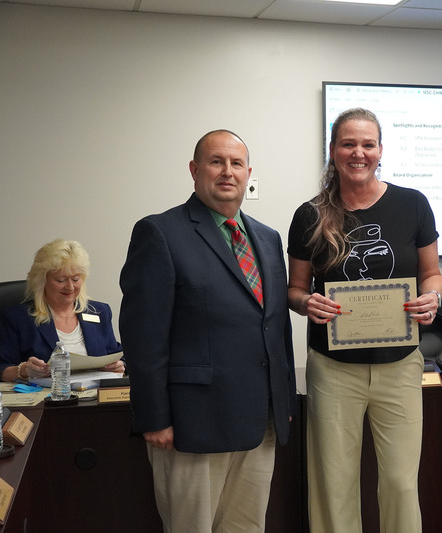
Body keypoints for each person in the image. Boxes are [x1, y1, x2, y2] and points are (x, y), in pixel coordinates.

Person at [119, 129, 295, 533]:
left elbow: (275, 325)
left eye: (236, 164)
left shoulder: (267, 239)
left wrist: (281, 399)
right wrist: (154, 416)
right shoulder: (160, 232)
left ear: (248, 172)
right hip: (192, 424)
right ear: (195, 170)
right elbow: (143, 337)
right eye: (216, 162)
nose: (227, 172)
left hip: (259, 422)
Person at [287, 107, 442, 533]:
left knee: (399, 483)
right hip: (334, 369)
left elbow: (432, 272)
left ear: (380, 151)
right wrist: (306, 304)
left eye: (368, 144)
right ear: (334, 150)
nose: (359, 153)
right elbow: (295, 289)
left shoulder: (413, 204)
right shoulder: (310, 215)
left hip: (400, 365)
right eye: (348, 144)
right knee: (334, 484)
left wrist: (432, 296)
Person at [0, 239, 123, 382]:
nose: (70, 287)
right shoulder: (17, 318)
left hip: (95, 399)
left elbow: (117, 355)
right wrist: (23, 370)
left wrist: (120, 365)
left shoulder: (99, 312)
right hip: (46, 399)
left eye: (75, 279)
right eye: (61, 280)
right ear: (42, 281)